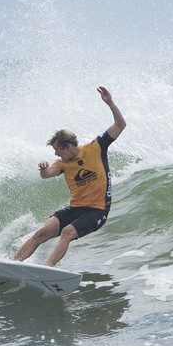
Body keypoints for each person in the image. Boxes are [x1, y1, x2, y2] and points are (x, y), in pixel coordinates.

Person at [14, 86, 126, 267]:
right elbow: (48, 174)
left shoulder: (96, 147)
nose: (56, 154)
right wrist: (43, 170)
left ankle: (47, 267)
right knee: (41, 233)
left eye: (58, 150)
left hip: (97, 211)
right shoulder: (62, 164)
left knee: (67, 232)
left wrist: (110, 103)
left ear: (67, 146)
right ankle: (12, 264)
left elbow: (120, 125)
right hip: (75, 209)